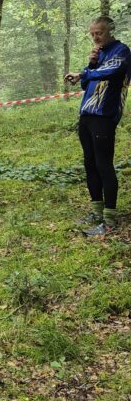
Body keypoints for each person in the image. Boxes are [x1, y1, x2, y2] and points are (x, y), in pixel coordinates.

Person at [65, 15, 131, 236]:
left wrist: (87, 71)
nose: (95, 38)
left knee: (104, 165)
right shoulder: (98, 54)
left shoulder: (121, 51)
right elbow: (86, 84)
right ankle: (96, 211)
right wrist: (90, 64)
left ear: (109, 31)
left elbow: (109, 72)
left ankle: (110, 221)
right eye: (92, 34)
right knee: (90, 164)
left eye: (99, 33)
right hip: (87, 114)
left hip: (104, 116)